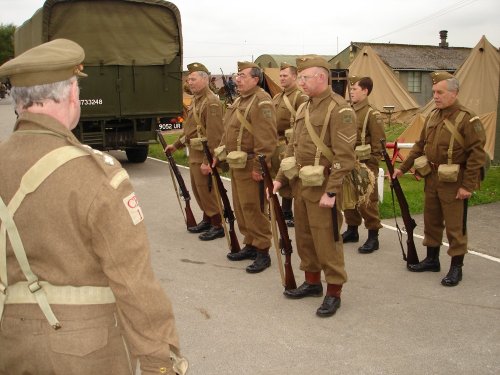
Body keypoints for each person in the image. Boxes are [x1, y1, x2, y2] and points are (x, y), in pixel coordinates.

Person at [0, 39, 187, 375]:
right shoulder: (96, 173)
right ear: (72, 94)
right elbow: (133, 281)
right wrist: (161, 360)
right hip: (85, 352)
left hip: (10, 341)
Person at [273, 55, 356, 317]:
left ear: (321, 77)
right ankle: (311, 283)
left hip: (324, 187)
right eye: (299, 78)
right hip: (302, 186)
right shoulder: (304, 107)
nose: (300, 83)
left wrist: (332, 191)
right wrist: (279, 177)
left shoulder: (339, 109)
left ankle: (334, 291)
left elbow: (345, 158)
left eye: (304, 78)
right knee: (305, 238)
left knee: (327, 242)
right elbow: (292, 147)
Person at [393, 71, 486, 287]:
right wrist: (402, 168)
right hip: (432, 177)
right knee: (432, 220)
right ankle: (432, 259)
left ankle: (456, 267)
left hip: (455, 180)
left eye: (440, 92)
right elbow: (419, 145)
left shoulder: (467, 118)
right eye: (434, 92)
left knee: (455, 226)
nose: (435, 96)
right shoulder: (434, 116)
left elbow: (477, 155)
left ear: (454, 93)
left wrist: (467, 186)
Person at [215, 61, 277, 273]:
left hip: (251, 164)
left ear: (255, 79)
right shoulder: (241, 101)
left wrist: (260, 168)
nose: (237, 79)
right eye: (237, 75)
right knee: (241, 207)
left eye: (242, 76)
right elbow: (227, 132)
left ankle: (263, 251)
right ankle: (250, 243)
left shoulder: (262, 101)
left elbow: (267, 139)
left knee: (254, 208)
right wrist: (219, 154)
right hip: (237, 164)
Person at [167, 62, 225, 241]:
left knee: (207, 190)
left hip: (204, 154)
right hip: (195, 152)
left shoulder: (211, 102)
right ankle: (207, 218)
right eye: (188, 79)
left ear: (204, 79)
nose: (189, 82)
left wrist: (209, 160)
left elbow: (216, 135)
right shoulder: (197, 100)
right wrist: (176, 145)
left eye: (193, 79)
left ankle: (217, 224)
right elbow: (190, 130)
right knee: (198, 189)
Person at [342, 76, 386, 253]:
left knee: (367, 201)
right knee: (348, 199)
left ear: (365, 91)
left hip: (365, 165)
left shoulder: (372, 114)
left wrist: (372, 169)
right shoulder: (346, 110)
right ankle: (352, 230)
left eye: (355, 89)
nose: (351, 92)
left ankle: (373, 236)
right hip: (347, 162)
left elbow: (379, 143)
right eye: (350, 89)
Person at [272, 62, 308, 227]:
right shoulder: (277, 97)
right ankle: (280, 210)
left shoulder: (300, 97)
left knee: (289, 177)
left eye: (285, 75)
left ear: (294, 77)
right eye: (280, 76)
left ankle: (287, 212)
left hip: (289, 144)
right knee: (278, 177)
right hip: (276, 143)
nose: (282, 78)